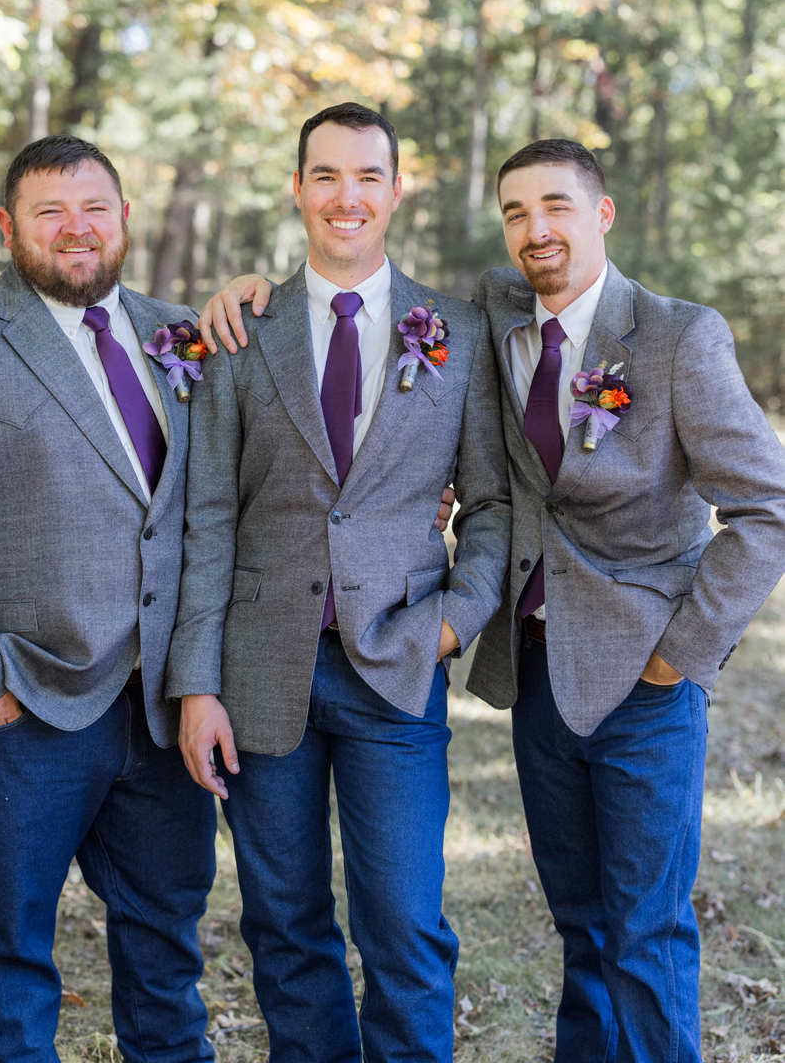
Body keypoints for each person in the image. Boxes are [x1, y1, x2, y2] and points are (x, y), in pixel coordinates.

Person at [200, 136, 785, 1062]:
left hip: (643, 672)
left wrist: (683, 651)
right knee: (582, 924)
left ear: (603, 213)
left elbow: (768, 507)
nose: (536, 229)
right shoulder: (493, 313)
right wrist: (242, 287)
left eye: (557, 206)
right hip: (539, 669)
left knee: (645, 932)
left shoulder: (678, 336)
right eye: (516, 212)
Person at [167, 102, 511, 1063]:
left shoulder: (459, 333)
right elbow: (206, 519)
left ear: (397, 191)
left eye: (368, 176)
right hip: (260, 671)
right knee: (283, 922)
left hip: (397, 666)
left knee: (403, 923)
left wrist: (451, 624)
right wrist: (197, 684)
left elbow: (491, 507)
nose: (346, 196)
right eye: (326, 175)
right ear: (297, 188)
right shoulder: (243, 331)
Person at [0, 135, 227, 1063]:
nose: (76, 229)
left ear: (125, 218)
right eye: (49, 212)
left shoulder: (183, 333)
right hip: (22, 704)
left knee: (167, 944)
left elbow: (211, 509)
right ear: (8, 227)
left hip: (160, 709)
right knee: (7, 951)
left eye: (95, 208)